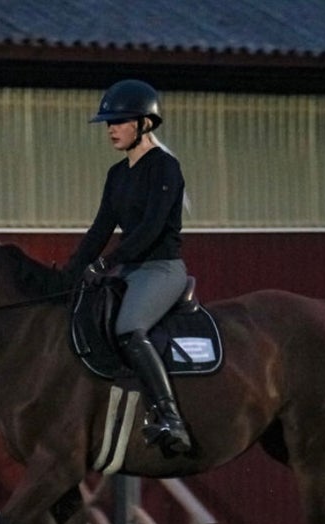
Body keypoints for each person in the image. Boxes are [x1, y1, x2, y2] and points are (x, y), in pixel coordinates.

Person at [64, 79, 192, 454]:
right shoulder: (117, 175)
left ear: (144, 124)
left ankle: (171, 417)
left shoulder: (165, 168)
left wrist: (106, 262)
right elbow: (100, 229)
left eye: (119, 122)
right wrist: (71, 270)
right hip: (128, 270)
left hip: (161, 268)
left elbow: (151, 229)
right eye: (109, 123)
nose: (111, 129)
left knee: (128, 327)